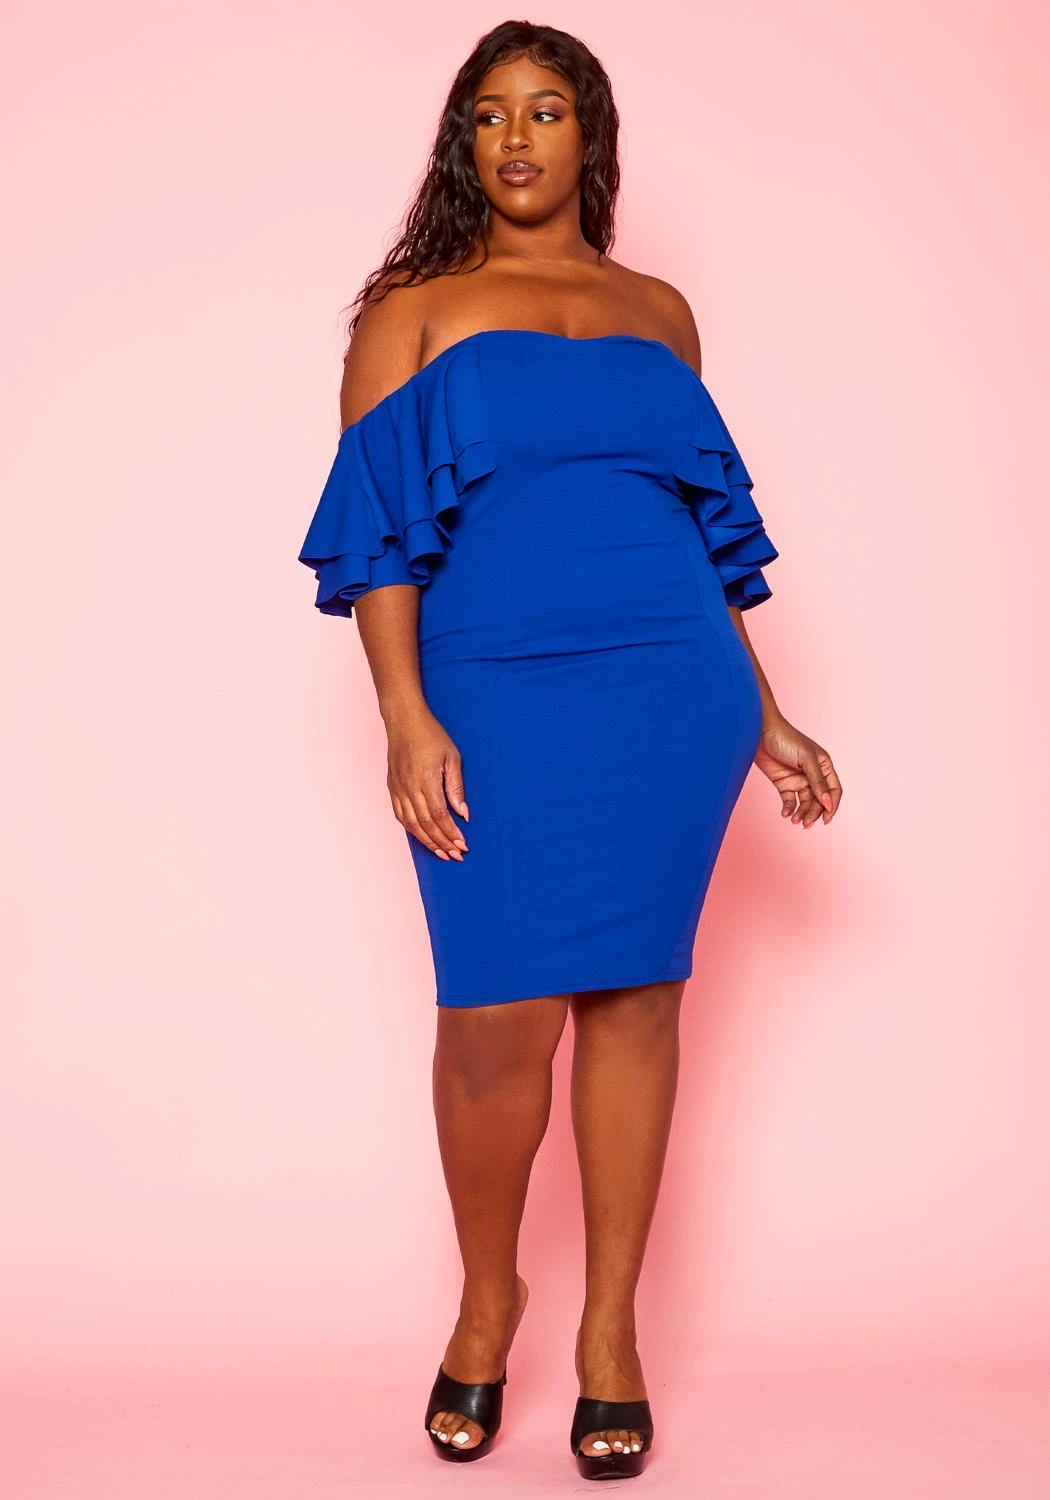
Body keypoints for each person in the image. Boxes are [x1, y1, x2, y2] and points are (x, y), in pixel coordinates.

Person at [297, 20, 842, 1482]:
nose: (517, 137)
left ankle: (611, 1336)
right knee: (495, 1020)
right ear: (461, 145)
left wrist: (764, 714)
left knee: (638, 1000)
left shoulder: (660, 313)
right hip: (491, 689)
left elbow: (703, 538)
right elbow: (378, 538)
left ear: (589, 137)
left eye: (546, 111)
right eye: (489, 115)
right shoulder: (412, 314)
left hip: (672, 691)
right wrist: (405, 714)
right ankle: (491, 1301)